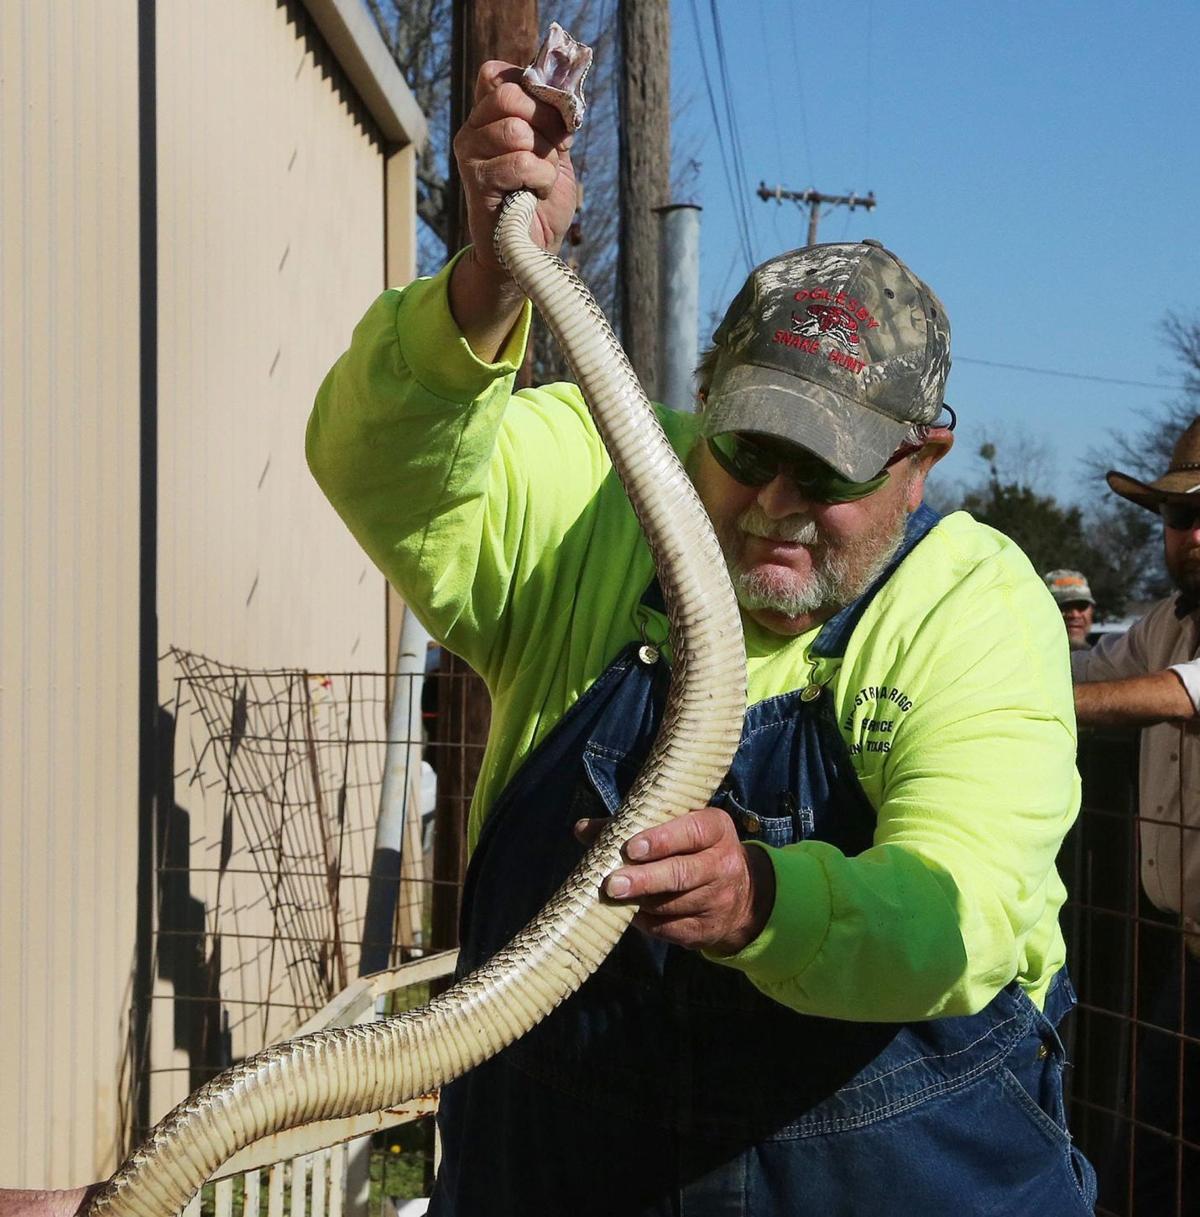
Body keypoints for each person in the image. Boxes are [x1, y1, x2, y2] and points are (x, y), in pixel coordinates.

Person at [307, 58, 1094, 1216]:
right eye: (746, 446)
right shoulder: (602, 479)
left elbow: (953, 910)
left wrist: (769, 900)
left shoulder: (973, 606)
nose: (774, 499)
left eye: (823, 465)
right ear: (703, 397)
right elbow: (380, 465)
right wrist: (485, 277)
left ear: (921, 459)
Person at [1071, 419, 1200, 1215]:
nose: (1190, 533)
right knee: (1155, 1151)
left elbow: (1182, 691)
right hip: (1187, 953)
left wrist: (1035, 705)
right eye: (1176, 516)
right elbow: (1080, 666)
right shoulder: (1164, 622)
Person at [1045, 568, 1097, 649]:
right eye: (1064, 606)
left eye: (1081, 606)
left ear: (1092, 610)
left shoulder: (1105, 660)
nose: (1075, 615)